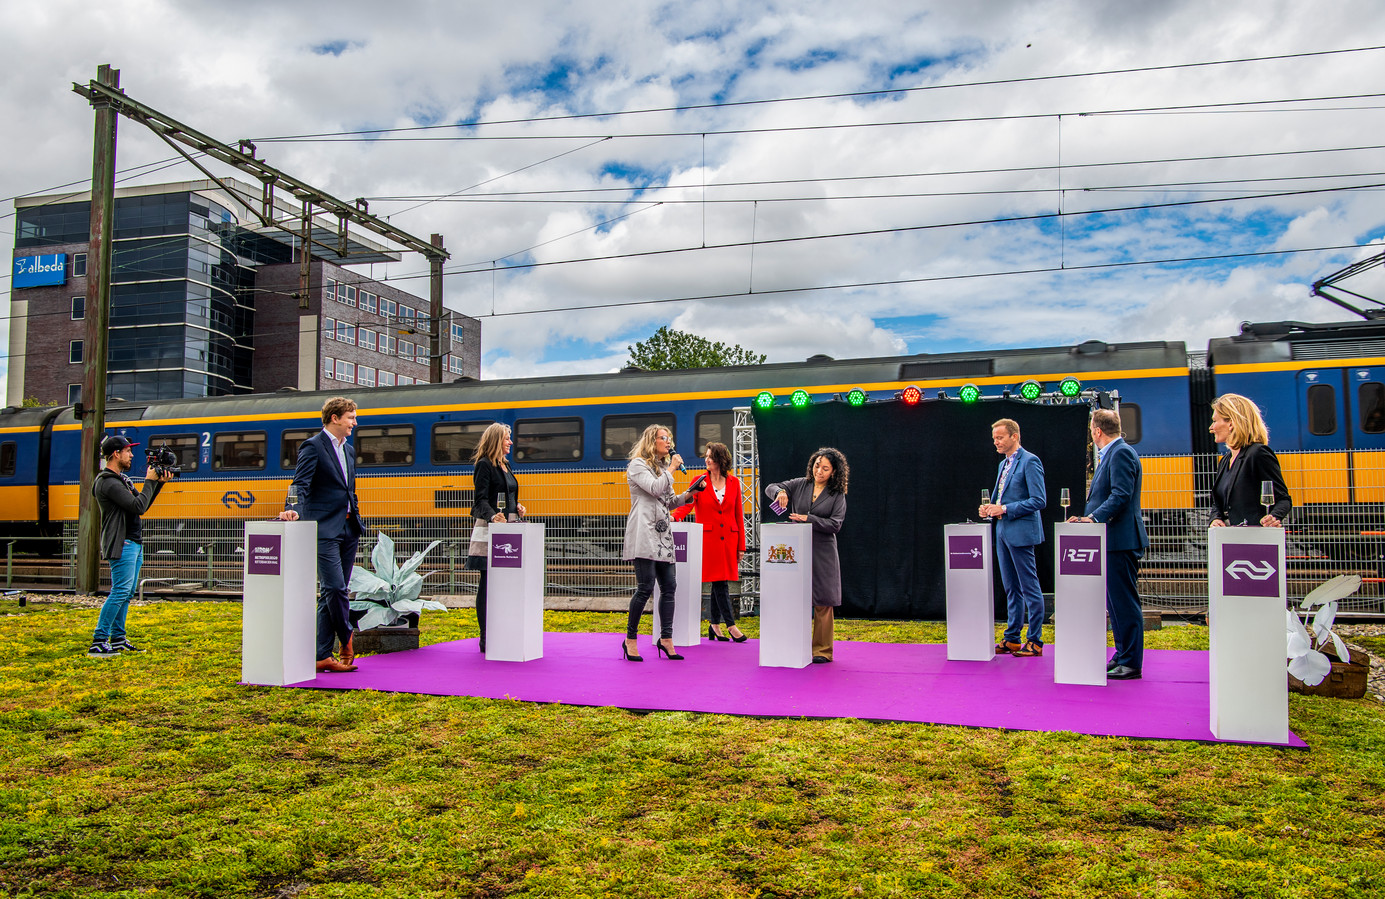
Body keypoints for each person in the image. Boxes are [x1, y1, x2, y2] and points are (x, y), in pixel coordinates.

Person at [278, 397, 365, 674]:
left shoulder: (349, 451)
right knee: (336, 588)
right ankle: (347, 637)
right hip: (324, 529)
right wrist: (292, 509)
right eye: (351, 417)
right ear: (335, 418)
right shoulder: (313, 446)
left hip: (349, 528)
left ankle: (320, 656)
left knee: (330, 592)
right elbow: (299, 483)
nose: (355, 422)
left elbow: (347, 490)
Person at [1068, 409, 1149, 680]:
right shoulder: (1113, 454)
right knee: (1114, 603)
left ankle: (1131, 662)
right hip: (1112, 539)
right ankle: (1122, 654)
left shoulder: (1121, 453)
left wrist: (1093, 518)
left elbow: (1121, 495)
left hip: (1120, 539)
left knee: (1124, 602)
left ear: (1097, 431)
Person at [86, 435, 173, 659]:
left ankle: (117, 640)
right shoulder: (107, 482)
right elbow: (138, 506)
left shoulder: (122, 480)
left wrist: (158, 484)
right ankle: (98, 641)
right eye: (128, 451)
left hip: (133, 542)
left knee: (126, 593)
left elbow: (143, 504)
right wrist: (150, 480)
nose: (131, 455)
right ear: (116, 454)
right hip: (122, 542)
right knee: (121, 592)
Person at [622, 425, 699, 661]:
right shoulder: (638, 465)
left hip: (663, 534)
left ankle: (666, 638)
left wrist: (690, 494)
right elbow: (655, 489)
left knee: (669, 587)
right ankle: (630, 639)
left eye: (670, 438)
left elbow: (667, 501)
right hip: (644, 532)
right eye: (663, 438)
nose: (669, 442)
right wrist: (674, 468)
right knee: (645, 588)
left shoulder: (664, 468)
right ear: (651, 441)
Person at [767, 447, 849, 663]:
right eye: (816, 466)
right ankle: (795, 644)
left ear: (834, 472)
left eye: (825, 468)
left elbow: (835, 524)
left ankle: (822, 651)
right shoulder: (800, 484)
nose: (819, 471)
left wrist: (808, 518)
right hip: (797, 549)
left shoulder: (837, 494)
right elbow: (770, 487)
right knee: (796, 598)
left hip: (823, 552)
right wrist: (780, 492)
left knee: (823, 601)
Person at [979, 418, 1048, 658]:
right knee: (1011, 588)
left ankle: (1035, 640)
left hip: (1021, 532)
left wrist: (1005, 509)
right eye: (994, 438)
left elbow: (1039, 500)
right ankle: (1012, 638)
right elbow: (1000, 500)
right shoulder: (1003, 465)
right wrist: (989, 509)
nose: (996, 442)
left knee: (1030, 587)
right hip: (1002, 532)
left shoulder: (1030, 461)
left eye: (1000, 437)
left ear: (1014, 436)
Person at [673, 441, 748, 643]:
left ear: (720, 460)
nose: (706, 459)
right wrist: (675, 517)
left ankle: (715, 625)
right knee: (720, 581)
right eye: (705, 456)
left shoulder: (734, 482)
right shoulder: (700, 480)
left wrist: (742, 545)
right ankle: (731, 625)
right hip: (708, 539)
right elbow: (688, 502)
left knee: (719, 581)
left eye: (710, 456)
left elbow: (738, 515)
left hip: (730, 539)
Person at [467, 422, 526, 654]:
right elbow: (480, 500)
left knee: (504, 583)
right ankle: (485, 636)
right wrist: (493, 517)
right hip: (492, 528)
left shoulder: (505, 464)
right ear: (495, 441)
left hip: (509, 528)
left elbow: (509, 494)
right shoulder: (484, 465)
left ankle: (503, 630)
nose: (510, 442)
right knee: (488, 582)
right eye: (506, 438)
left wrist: (517, 507)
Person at [1208, 393, 1292, 528]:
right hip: (1229, 539)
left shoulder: (1258, 454)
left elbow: (1283, 499)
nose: (1211, 428)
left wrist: (1274, 517)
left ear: (1231, 423)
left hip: (1254, 540)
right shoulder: (1225, 461)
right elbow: (1218, 504)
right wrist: (1215, 519)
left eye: (1215, 421)